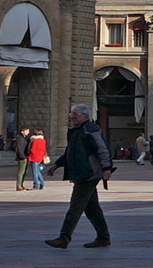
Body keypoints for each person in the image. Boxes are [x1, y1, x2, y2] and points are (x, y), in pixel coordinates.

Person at [44, 103, 114, 248]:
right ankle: (103, 237)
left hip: (88, 174)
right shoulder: (76, 131)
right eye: (71, 114)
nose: (71, 116)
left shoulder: (90, 130)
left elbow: (103, 149)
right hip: (82, 173)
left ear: (84, 116)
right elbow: (70, 152)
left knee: (75, 207)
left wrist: (107, 168)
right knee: (92, 208)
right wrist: (57, 164)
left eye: (74, 114)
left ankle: (64, 238)